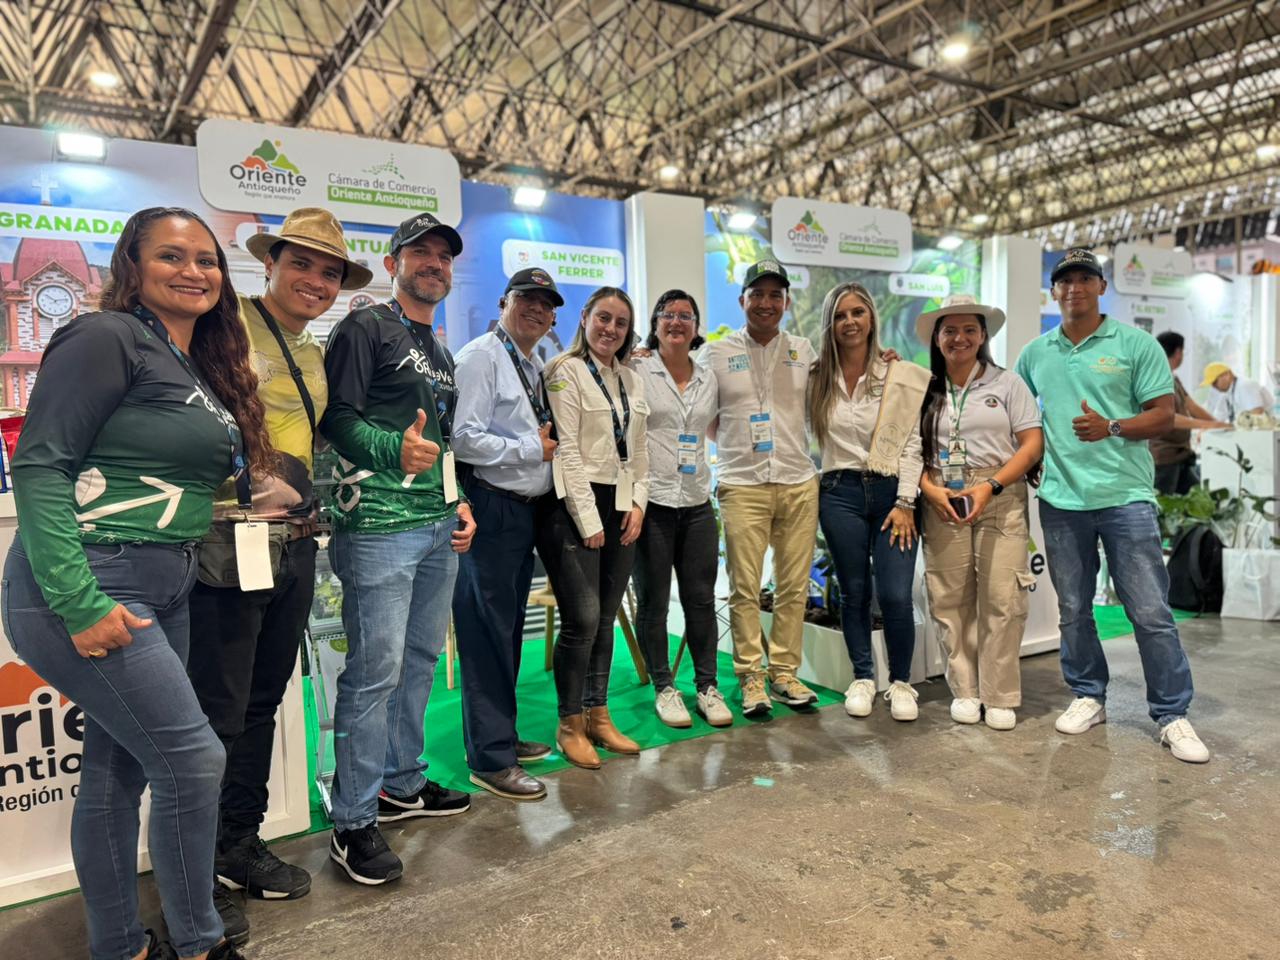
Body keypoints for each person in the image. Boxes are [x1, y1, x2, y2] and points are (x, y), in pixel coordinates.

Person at [2, 207, 272, 960]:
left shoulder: (191, 364)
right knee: (192, 759)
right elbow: (40, 464)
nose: (193, 271)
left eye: (206, 259)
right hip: (93, 576)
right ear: (132, 265)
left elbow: (163, 472)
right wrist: (78, 600)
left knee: (116, 769)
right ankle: (201, 943)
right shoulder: (106, 336)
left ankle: (121, 947)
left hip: (166, 580)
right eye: (171, 256)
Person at [184, 209, 372, 932]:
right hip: (224, 544)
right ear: (272, 264)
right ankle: (195, 873)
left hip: (291, 545)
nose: (315, 281)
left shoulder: (314, 352)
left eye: (330, 272)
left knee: (263, 703)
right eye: (303, 264)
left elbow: (319, 435)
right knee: (217, 711)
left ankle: (237, 845)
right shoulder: (226, 323)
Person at [320, 212, 476, 885]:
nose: (434, 263)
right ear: (393, 264)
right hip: (378, 526)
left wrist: (457, 500)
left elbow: (440, 440)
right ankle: (352, 821)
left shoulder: (439, 351)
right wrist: (391, 450)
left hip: (436, 525)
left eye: (444, 255)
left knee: (418, 662)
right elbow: (335, 418)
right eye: (421, 253)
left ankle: (402, 782)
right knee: (373, 673)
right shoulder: (365, 327)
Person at [1015, 248, 1209, 763]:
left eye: (1085, 278)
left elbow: (1163, 415)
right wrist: (1031, 455)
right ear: (1054, 292)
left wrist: (1112, 427)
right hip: (1062, 500)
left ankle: (1171, 713)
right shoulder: (1036, 353)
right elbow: (1019, 414)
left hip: (1126, 498)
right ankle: (1088, 695)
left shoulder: (1135, 344)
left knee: (1149, 611)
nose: (1074, 288)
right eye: (1065, 281)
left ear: (1101, 287)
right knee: (1074, 609)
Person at [451, 268, 563, 801]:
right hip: (491, 507)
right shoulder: (481, 357)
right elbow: (463, 438)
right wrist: (528, 450)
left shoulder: (531, 362)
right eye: (527, 299)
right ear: (504, 302)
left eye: (546, 304)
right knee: (486, 632)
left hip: (523, 512)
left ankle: (501, 735)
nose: (537, 310)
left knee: (508, 630)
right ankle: (490, 759)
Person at [916, 294, 1044, 730]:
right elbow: (906, 448)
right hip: (941, 494)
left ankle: (1000, 694)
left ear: (983, 335)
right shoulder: (923, 387)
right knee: (949, 597)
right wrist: (929, 490)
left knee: (1003, 597)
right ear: (937, 338)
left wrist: (991, 486)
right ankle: (966, 690)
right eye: (950, 330)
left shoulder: (1008, 384)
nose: (960, 338)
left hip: (999, 492)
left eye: (970, 329)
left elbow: (1032, 444)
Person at [700, 261, 820, 718]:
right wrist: (737, 445)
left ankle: (785, 672)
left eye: (775, 295)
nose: (766, 303)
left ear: (786, 302)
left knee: (792, 587)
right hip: (742, 483)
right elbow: (704, 416)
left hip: (797, 481)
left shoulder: (804, 351)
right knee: (744, 588)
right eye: (758, 294)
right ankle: (751, 676)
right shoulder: (715, 354)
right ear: (742, 300)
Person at [808, 282, 928, 722]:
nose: (850, 322)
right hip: (838, 493)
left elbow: (913, 444)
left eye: (858, 312)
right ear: (830, 323)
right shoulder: (815, 378)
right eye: (840, 315)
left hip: (892, 493)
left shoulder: (898, 375)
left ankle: (901, 682)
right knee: (854, 591)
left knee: (895, 593)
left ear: (872, 317)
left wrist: (906, 501)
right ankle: (862, 676)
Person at [540, 286, 649, 769]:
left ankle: (598, 715)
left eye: (621, 323)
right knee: (582, 618)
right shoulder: (564, 371)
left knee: (605, 616)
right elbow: (565, 450)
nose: (611, 329)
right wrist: (587, 519)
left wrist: (639, 503)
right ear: (584, 318)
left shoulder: (630, 378)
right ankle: (570, 724)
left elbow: (639, 449)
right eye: (603, 318)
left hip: (621, 503)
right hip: (573, 506)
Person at [632, 289, 731, 728]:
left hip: (696, 504)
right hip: (650, 503)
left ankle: (707, 686)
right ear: (655, 323)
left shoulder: (709, 378)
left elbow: (720, 426)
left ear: (695, 327)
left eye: (685, 316)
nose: (676, 322)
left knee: (700, 599)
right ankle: (664, 687)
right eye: (668, 314)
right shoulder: (636, 368)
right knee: (653, 602)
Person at [1150, 332, 1229, 495]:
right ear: (1178, 352)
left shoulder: (1173, 378)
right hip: (1164, 457)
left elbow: (1191, 406)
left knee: (1198, 498)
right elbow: (1167, 417)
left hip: (1181, 455)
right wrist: (1208, 425)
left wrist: (1218, 425)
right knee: (1163, 504)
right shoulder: (1156, 378)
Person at [1200, 361, 1269, 425]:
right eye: (1212, 384)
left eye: (1215, 382)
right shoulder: (1227, 392)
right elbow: (1218, 418)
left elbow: (1257, 414)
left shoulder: (1244, 386)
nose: (1214, 386)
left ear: (1227, 375)